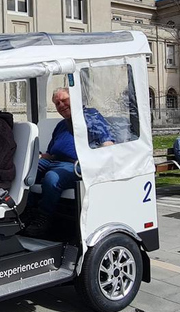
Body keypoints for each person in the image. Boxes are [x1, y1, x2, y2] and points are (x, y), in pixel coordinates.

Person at [24, 87, 115, 238]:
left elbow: (106, 142)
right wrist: (37, 158)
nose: (61, 105)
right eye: (57, 103)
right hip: (54, 161)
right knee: (26, 170)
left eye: (64, 100)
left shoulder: (90, 116)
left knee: (52, 178)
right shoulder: (61, 125)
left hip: (74, 165)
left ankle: (43, 219)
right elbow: (51, 153)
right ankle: (27, 212)